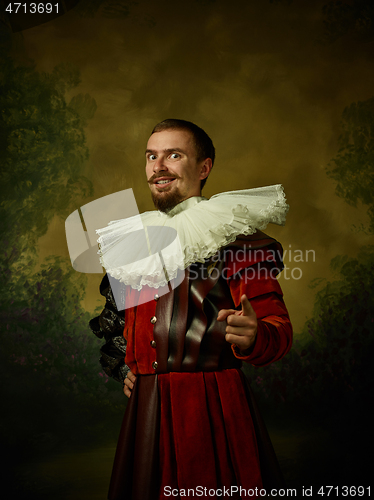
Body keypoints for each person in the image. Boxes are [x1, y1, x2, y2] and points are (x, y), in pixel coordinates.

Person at [90, 119, 293, 500]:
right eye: (152, 156)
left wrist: (255, 335)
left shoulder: (234, 237)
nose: (158, 165)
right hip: (147, 412)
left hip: (211, 407)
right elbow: (119, 325)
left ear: (204, 168)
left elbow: (277, 330)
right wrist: (127, 368)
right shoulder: (137, 242)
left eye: (174, 155)